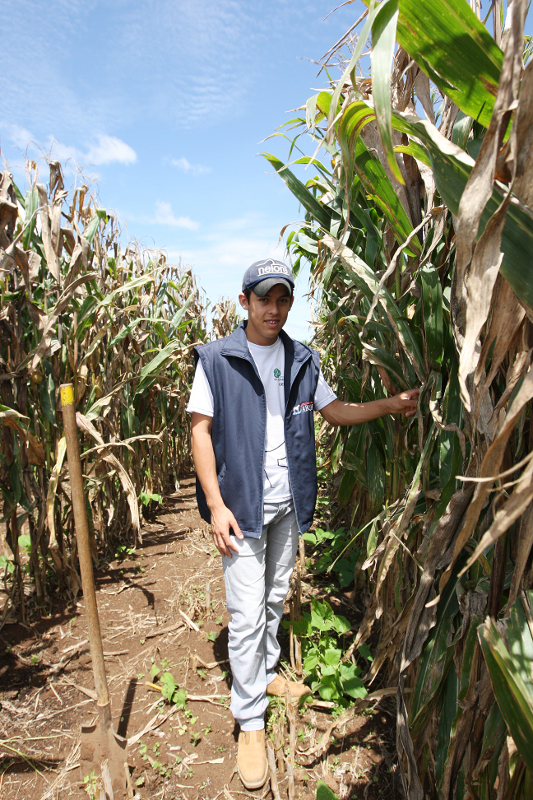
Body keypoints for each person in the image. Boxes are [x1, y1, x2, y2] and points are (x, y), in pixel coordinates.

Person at [186, 259, 419, 790]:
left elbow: (334, 412)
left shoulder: (302, 359)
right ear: (244, 302)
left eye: (283, 299)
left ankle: (265, 675)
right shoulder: (217, 359)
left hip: (287, 502)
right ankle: (249, 721)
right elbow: (200, 432)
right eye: (265, 298)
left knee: (272, 597)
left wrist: (389, 405)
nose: (274, 309)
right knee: (244, 616)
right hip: (240, 507)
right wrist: (216, 505)